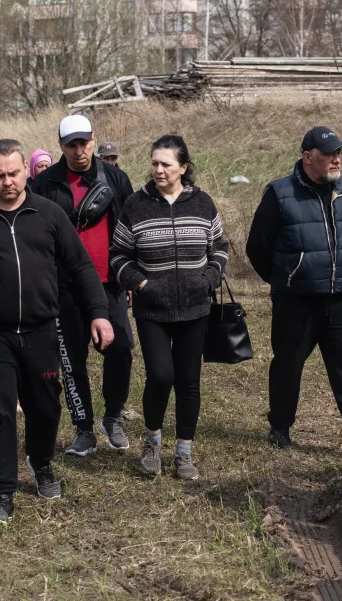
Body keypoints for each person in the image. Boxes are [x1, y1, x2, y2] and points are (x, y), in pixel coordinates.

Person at [0, 139, 113, 525]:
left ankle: (41, 463)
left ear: (25, 171)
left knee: (45, 407)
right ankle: (1, 492)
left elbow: (82, 268)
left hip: (40, 331)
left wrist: (99, 314)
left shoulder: (49, 215)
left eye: (14, 173)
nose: (7, 182)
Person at [246, 126, 342, 458]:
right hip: (296, 300)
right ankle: (280, 428)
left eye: (339, 152)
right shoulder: (280, 193)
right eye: (329, 153)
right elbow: (257, 247)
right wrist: (284, 280)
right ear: (308, 156)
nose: (336, 158)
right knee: (288, 364)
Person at [110, 135, 228, 479]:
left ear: (183, 168)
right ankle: (152, 443)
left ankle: (184, 453)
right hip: (153, 311)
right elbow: (118, 255)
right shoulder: (136, 204)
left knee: (189, 382)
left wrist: (209, 278)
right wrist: (141, 284)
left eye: (166, 164)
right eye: (154, 163)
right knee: (160, 377)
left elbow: (219, 246)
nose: (158, 170)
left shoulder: (203, 203)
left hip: (195, 309)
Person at [33, 115, 135, 456]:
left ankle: (113, 416)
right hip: (63, 287)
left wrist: (131, 275)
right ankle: (83, 429)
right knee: (71, 360)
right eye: (72, 144)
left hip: (109, 282)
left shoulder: (116, 178)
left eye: (85, 143)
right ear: (61, 145)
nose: (80, 151)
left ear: (94, 140)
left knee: (120, 348)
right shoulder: (46, 182)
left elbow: (129, 228)